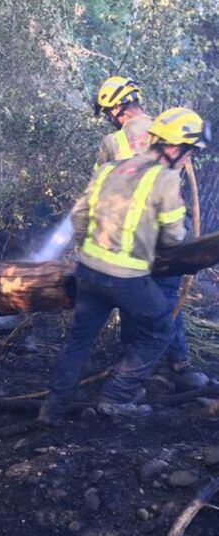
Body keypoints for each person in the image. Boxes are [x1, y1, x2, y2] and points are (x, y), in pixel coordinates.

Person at [39, 108, 211, 424]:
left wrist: (88, 249)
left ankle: (53, 406)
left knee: (80, 338)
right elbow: (174, 237)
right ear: (173, 147)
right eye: (189, 152)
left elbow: (78, 216)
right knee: (161, 328)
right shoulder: (166, 179)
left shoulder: (110, 169)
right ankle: (116, 396)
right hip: (127, 278)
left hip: (88, 272)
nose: (188, 159)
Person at [93, 76, 206, 386]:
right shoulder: (170, 128)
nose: (107, 118)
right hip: (169, 228)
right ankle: (179, 364)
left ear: (117, 107)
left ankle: (129, 370)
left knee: (134, 298)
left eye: (106, 111)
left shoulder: (112, 142)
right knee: (167, 297)